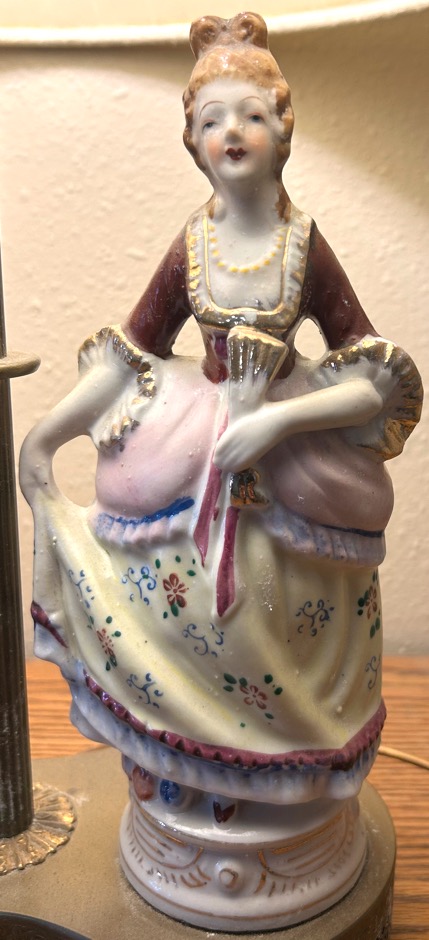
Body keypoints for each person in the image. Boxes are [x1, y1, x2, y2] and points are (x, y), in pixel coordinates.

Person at [20, 14, 422, 918]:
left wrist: (276, 422)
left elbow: (370, 374)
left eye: (249, 115)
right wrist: (46, 436)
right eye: (211, 119)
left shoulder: (302, 246)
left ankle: (286, 767)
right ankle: (179, 754)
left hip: (280, 433)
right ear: (192, 141)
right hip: (195, 423)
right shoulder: (193, 245)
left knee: (293, 581)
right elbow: (129, 353)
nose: (230, 133)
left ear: (284, 127)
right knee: (130, 505)